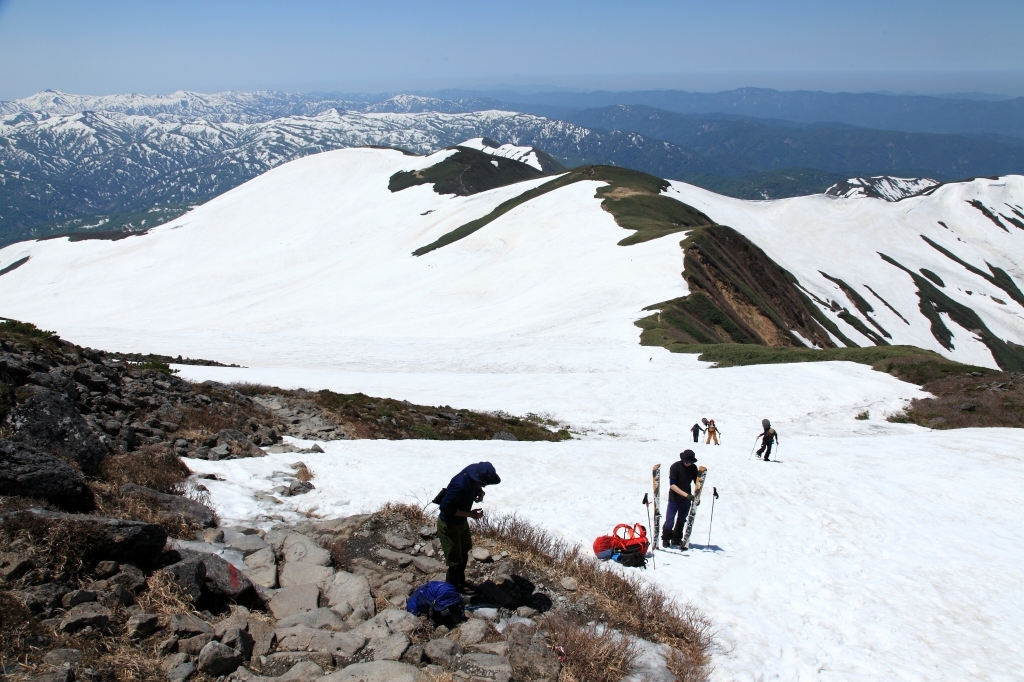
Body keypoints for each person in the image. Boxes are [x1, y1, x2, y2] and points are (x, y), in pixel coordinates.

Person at [437, 462, 501, 591]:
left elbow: (473, 484)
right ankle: (451, 592)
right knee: (455, 561)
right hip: (449, 525)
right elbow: (445, 507)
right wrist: (470, 514)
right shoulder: (459, 484)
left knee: (464, 552)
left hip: (461, 522)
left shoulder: (472, 471)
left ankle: (460, 582)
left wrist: (479, 492)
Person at [662, 449, 700, 548]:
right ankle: (666, 538)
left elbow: (698, 483)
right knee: (669, 520)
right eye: (686, 462)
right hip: (674, 498)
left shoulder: (693, 468)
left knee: (681, 519)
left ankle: (676, 539)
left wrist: (697, 496)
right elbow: (672, 485)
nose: (688, 464)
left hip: (686, 500)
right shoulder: (675, 467)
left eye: (690, 462)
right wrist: (686, 495)